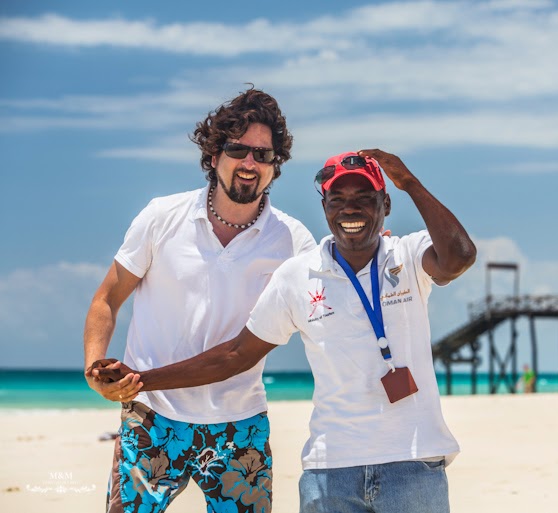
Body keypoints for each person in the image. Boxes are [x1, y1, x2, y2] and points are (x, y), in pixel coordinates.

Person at [92, 149, 477, 513]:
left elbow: (459, 256)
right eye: (337, 198)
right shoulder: (296, 275)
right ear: (325, 208)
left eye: (364, 197)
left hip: (411, 463)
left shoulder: (408, 256)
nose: (350, 209)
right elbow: (236, 355)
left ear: (385, 205)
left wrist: (408, 181)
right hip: (330, 469)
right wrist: (140, 379)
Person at [83, 87, 316, 513]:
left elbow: (334, 301)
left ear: (274, 167)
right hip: (150, 419)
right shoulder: (161, 216)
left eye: (263, 155)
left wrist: (376, 254)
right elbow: (107, 300)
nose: (250, 163)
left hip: (239, 425)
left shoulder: (294, 241)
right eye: (237, 149)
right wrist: (94, 365)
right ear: (213, 156)